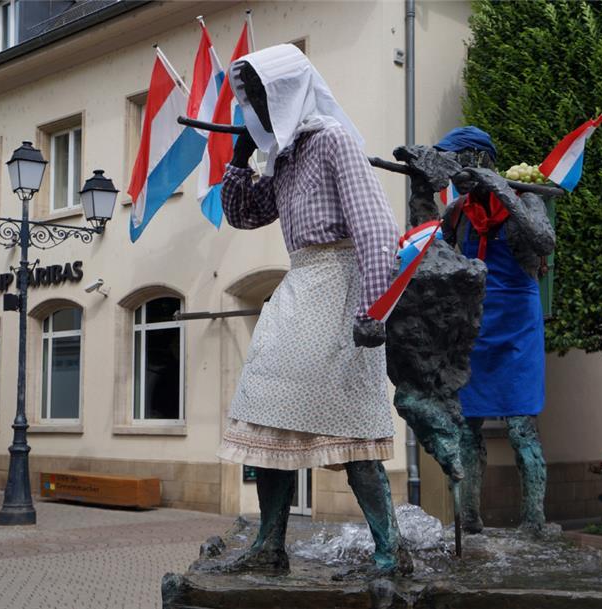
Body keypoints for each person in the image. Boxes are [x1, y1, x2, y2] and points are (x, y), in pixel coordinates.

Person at [215, 43, 411, 576]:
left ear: (283, 95)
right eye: (247, 101)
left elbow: (375, 227)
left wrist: (375, 309)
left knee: (351, 424)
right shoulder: (283, 157)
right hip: (301, 284)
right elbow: (243, 214)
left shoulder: (334, 140)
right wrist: (238, 162)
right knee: (263, 411)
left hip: (342, 284)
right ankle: (269, 546)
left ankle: (390, 551)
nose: (251, 109)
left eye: (257, 98)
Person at [438, 126, 556, 533]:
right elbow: (430, 246)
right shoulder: (458, 210)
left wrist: (504, 191)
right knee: (467, 422)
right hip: (476, 322)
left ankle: (535, 521)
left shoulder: (525, 196)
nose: (453, 169)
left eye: (458, 160)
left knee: (521, 424)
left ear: (480, 159)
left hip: (517, 324)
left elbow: (544, 241)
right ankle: (469, 518)